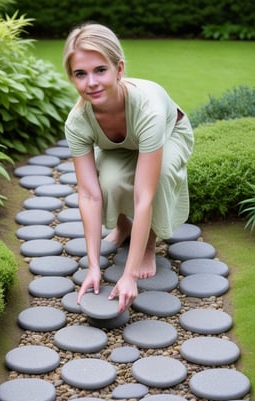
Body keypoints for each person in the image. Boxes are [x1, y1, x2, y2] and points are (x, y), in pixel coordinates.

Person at [63, 23, 194, 313]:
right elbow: (88, 194)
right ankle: (124, 226)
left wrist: (128, 274)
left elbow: (143, 196)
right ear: (71, 77)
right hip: (122, 146)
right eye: (80, 74)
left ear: (119, 69)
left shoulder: (149, 110)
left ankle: (148, 244)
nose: (91, 82)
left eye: (100, 70)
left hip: (170, 134)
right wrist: (93, 266)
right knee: (107, 180)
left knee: (153, 180)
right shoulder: (77, 122)